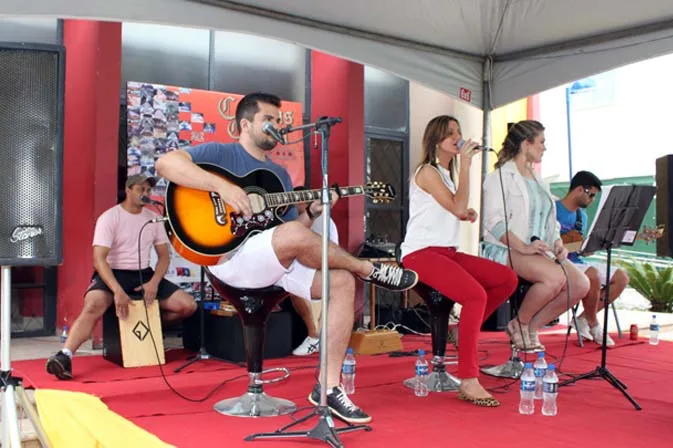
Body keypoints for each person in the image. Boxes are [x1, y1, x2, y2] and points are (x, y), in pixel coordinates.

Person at [155, 92, 419, 424]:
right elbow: (165, 164)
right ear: (244, 124)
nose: (277, 126)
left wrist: (312, 210)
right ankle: (368, 267)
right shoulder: (220, 153)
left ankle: (329, 387)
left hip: (270, 259)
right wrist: (223, 188)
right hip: (231, 260)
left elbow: (292, 231)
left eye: (279, 121)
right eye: (269, 120)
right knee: (325, 256)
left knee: (341, 281)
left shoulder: (278, 175)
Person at [400, 115, 518, 407]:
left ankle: (460, 331)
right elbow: (455, 204)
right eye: (450, 133)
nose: (458, 137)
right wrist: (466, 169)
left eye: (459, 131)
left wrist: (465, 214)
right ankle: (468, 378)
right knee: (475, 295)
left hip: (446, 251)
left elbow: (452, 208)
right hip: (420, 253)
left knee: (506, 279)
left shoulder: (445, 173)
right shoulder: (427, 171)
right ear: (436, 139)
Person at [46, 175, 198, 380]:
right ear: (128, 190)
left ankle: (141, 330)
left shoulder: (152, 218)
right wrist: (117, 290)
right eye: (140, 189)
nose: (145, 194)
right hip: (113, 273)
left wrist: (153, 283)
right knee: (93, 305)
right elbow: (99, 260)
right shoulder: (110, 217)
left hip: (143, 273)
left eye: (147, 190)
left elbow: (164, 257)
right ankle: (64, 356)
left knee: (187, 306)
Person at [482, 120, 590, 351]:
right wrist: (523, 247)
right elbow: (492, 221)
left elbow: (551, 220)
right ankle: (519, 324)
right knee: (554, 278)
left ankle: (531, 326)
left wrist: (558, 243)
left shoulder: (538, 180)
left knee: (580, 284)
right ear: (526, 144)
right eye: (541, 142)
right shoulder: (499, 177)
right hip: (507, 248)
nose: (544, 147)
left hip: (539, 250)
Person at [557, 171, 630, 347]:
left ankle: (582, 319)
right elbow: (550, 242)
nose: (592, 200)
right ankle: (594, 323)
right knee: (593, 274)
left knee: (621, 277)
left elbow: (579, 246)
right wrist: (575, 247)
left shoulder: (583, 216)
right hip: (558, 262)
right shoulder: (553, 209)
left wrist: (588, 248)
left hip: (578, 262)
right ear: (580, 189)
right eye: (591, 195)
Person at [289, 186, 341, 356]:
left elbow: (330, 254)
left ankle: (313, 335)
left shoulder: (322, 220)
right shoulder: (294, 220)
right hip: (306, 267)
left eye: (296, 199)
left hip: (322, 269)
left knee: (293, 281)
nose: (292, 203)